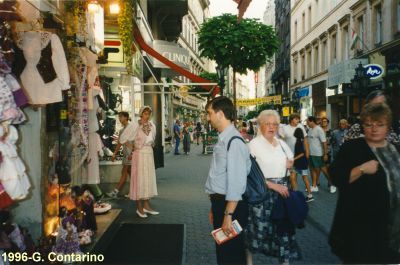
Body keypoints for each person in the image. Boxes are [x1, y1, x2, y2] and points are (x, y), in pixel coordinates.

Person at [329, 103, 400, 264]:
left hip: (391, 229)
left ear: (388, 126)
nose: (374, 129)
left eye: (380, 124)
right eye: (369, 124)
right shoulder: (352, 148)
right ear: (363, 126)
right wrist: (361, 169)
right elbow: (336, 178)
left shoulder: (396, 150)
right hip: (360, 229)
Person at [246, 110, 301, 264]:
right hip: (262, 194)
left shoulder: (282, 144)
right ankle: (248, 261)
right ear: (260, 125)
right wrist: (272, 185)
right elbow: (248, 175)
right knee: (256, 232)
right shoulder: (253, 145)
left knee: (283, 233)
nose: (271, 127)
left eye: (274, 124)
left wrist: (290, 166)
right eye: (267, 124)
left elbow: (290, 163)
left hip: (282, 195)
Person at [204, 96, 251, 265]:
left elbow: (236, 183)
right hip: (222, 204)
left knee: (231, 256)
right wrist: (214, 207)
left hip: (231, 206)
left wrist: (228, 214)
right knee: (225, 253)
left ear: (220, 113)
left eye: (209, 113)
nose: (207, 118)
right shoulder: (225, 138)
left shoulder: (234, 141)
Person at [126, 106, 159, 218]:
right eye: (145, 113)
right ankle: (139, 208)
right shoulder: (135, 125)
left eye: (149, 113)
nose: (147, 115)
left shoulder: (152, 125)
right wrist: (133, 148)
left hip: (149, 154)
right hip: (139, 155)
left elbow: (152, 139)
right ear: (141, 114)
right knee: (139, 179)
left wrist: (152, 144)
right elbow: (124, 139)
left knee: (148, 179)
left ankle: (146, 206)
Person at [279, 113, 309, 191]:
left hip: (299, 155)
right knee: (292, 175)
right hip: (289, 155)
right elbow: (281, 141)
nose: (298, 121)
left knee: (297, 175)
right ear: (291, 120)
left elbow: (305, 139)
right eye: (296, 119)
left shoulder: (300, 126)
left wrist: (307, 152)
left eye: (298, 119)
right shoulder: (285, 128)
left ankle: (294, 192)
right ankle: (293, 191)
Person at [106, 111, 133, 198]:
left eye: (121, 117)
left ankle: (115, 192)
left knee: (124, 173)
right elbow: (119, 143)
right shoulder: (122, 130)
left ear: (126, 117)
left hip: (130, 155)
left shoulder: (131, 128)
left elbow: (135, 141)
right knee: (130, 173)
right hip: (126, 154)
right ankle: (134, 192)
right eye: (119, 117)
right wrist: (114, 153)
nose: (119, 119)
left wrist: (132, 152)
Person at [306, 116, 336, 193]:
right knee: (312, 170)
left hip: (318, 154)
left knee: (324, 170)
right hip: (311, 154)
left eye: (307, 121)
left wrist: (325, 154)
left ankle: (332, 185)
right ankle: (314, 186)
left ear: (312, 121)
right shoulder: (309, 130)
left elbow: (324, 142)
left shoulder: (319, 130)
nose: (307, 123)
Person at [293, 127, 313, 202]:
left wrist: (293, 159)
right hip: (303, 162)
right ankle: (309, 195)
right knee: (299, 178)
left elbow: (301, 153)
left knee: (301, 178)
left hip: (299, 162)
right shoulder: (303, 140)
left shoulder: (298, 142)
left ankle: (309, 195)